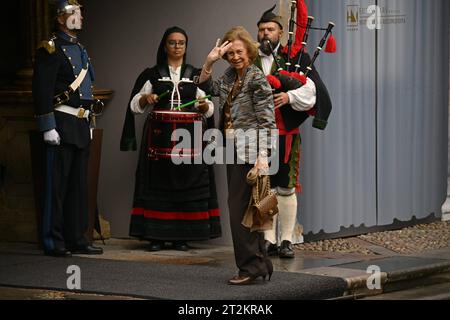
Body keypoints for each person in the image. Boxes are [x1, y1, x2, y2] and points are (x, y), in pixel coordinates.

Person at [120, 26, 221, 252]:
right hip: (159, 137)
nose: (177, 47)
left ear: (186, 46)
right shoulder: (152, 74)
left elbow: (210, 107)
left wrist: (205, 105)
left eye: (181, 43)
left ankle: (181, 237)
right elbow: (134, 106)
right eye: (172, 42)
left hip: (188, 138)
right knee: (159, 183)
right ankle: (155, 236)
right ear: (165, 46)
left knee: (186, 183)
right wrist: (146, 98)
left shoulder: (196, 74)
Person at [197, 26, 276, 285]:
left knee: (238, 209)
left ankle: (249, 267)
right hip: (232, 150)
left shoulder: (257, 79)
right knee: (248, 209)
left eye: (238, 52)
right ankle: (260, 262)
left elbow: (267, 120)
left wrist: (263, 155)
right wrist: (209, 62)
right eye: (230, 53)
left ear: (249, 52)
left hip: (252, 153)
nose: (234, 57)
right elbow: (209, 90)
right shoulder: (231, 76)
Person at [256, 5, 332, 258]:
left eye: (270, 29)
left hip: (285, 132)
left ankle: (286, 240)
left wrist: (288, 96)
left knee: (286, 187)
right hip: (258, 134)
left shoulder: (297, 56)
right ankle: (268, 239)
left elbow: (313, 92)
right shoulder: (250, 58)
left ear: (280, 32)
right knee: (264, 186)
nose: (265, 34)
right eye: (261, 30)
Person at [32, 0, 103, 257]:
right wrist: (47, 125)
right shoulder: (50, 49)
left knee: (78, 187)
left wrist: (89, 122)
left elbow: (86, 90)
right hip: (61, 123)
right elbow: (42, 90)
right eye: (75, 13)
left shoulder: (80, 49)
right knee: (57, 186)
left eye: (80, 12)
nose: (80, 17)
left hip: (81, 123)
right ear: (61, 18)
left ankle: (77, 238)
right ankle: (54, 239)